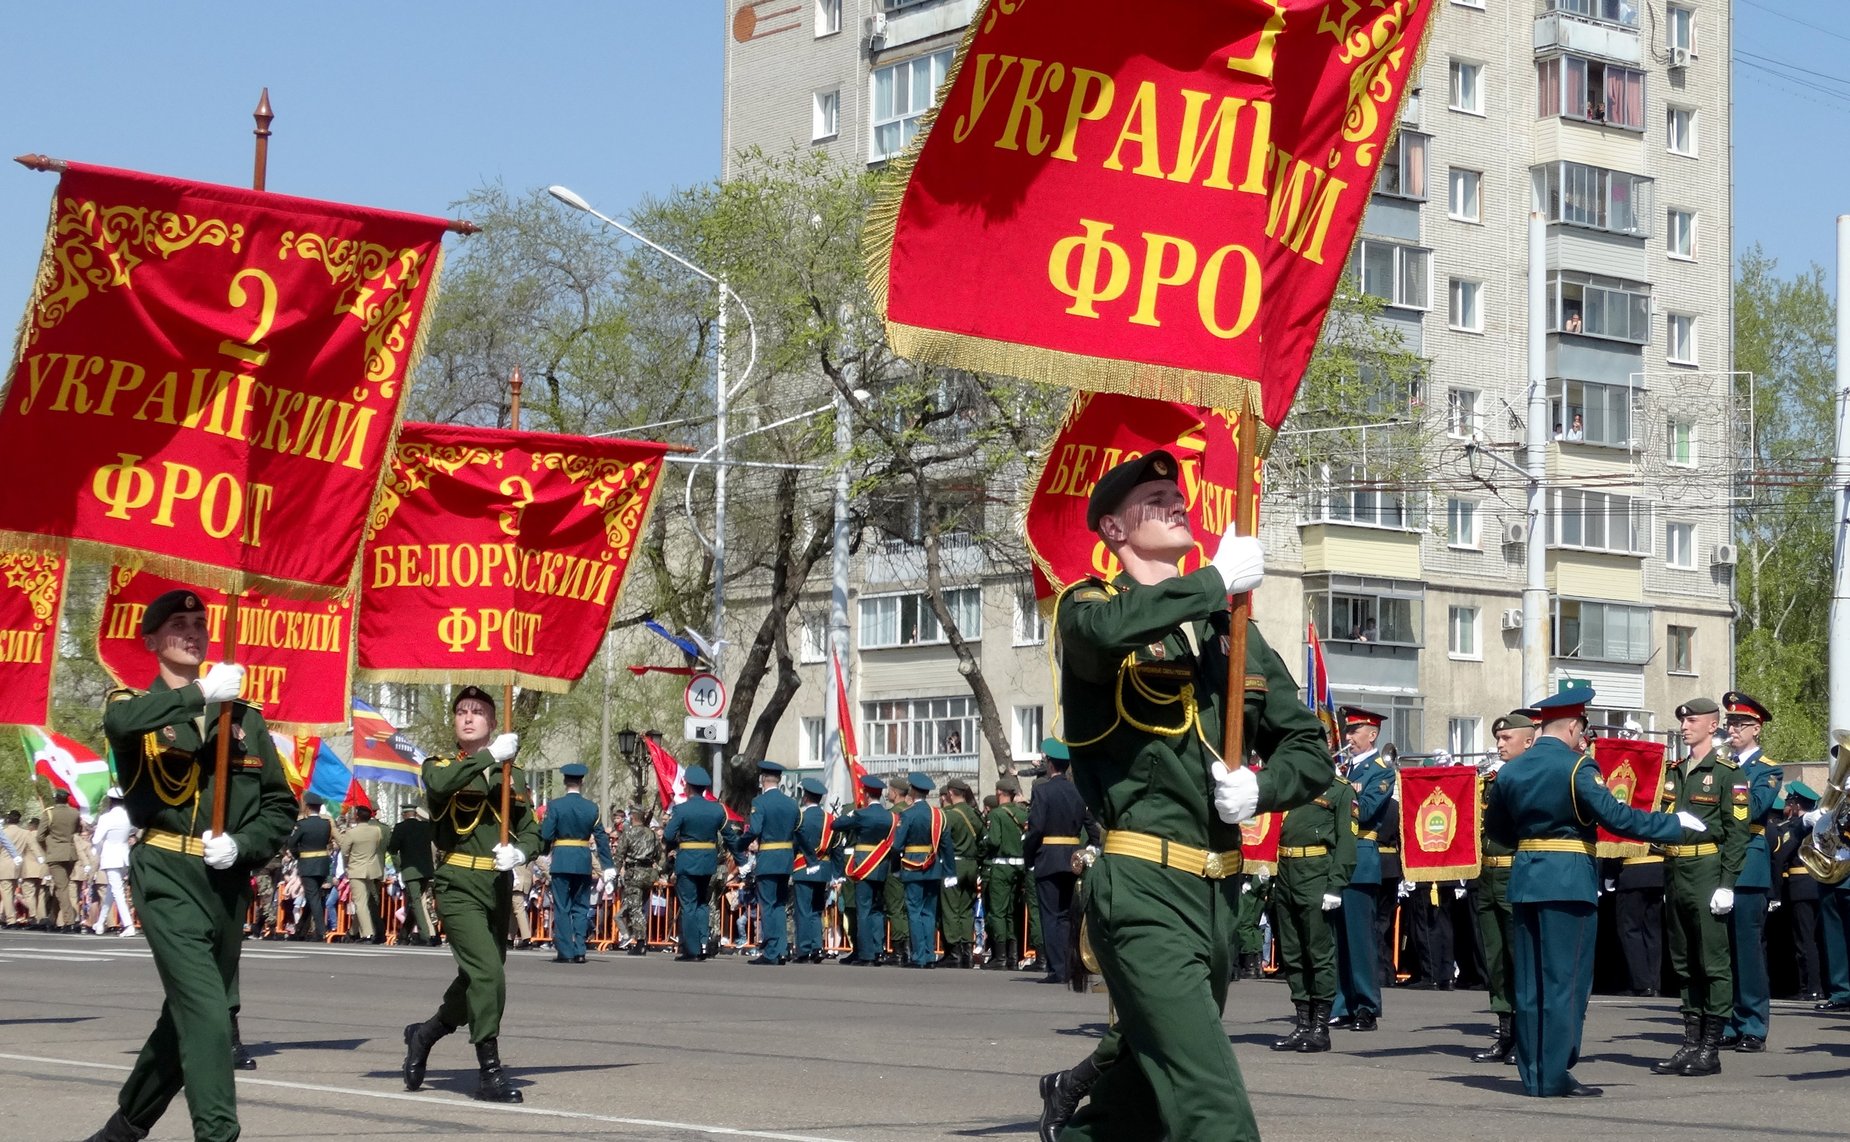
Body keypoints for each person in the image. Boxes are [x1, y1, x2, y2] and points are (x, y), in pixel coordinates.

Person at [1040, 450, 1334, 1142]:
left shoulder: (1234, 636)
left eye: (1179, 494)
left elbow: (1310, 748)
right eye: (1156, 498)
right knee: (1212, 1107)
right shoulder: (1088, 609)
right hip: (1142, 890)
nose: (1178, 504)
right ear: (1114, 529)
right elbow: (1107, 635)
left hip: (1218, 898)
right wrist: (1213, 582)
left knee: (1139, 1101)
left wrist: (1263, 788)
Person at [80, 588, 295, 1142]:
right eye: (177, 624)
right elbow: (121, 726)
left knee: (187, 1018)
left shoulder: (243, 717)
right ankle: (218, 1135)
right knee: (208, 1011)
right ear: (151, 640)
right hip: (167, 874)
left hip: (224, 882)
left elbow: (279, 803)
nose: (193, 632)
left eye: (200, 623)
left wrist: (245, 844)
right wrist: (200, 694)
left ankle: (123, 1128)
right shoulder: (132, 704)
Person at [1483, 686, 1707, 1098]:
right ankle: (1554, 1075)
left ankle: (1533, 1075)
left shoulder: (1510, 771)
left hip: (1526, 879)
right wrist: (1673, 825)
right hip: (1568, 880)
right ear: (1572, 726)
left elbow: (1495, 830)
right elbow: (1615, 816)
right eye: (1581, 729)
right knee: (1565, 983)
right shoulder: (1577, 768)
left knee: (1530, 984)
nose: (1582, 738)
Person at [401, 685, 536, 1104]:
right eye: (462, 711)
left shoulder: (510, 777)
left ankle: (424, 1034)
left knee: (476, 979)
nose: (469, 717)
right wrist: (491, 756)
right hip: (457, 884)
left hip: (495, 885)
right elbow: (441, 783)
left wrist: (520, 851)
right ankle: (490, 1073)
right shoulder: (440, 764)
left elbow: (532, 829)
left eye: (478, 711)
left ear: (493, 723)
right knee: (489, 977)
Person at [1651, 696, 1749, 1077]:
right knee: (1684, 961)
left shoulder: (1726, 773)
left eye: (1693, 720)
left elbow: (1737, 833)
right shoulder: (1676, 771)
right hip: (1676, 869)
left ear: (1713, 726)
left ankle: (1711, 1047)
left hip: (1708, 869)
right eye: (1683, 720)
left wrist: (1727, 884)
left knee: (1713, 962)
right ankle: (1690, 1043)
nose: (1685, 725)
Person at [1269, 767, 1355, 1052]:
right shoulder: (1292, 785)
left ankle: (1320, 1027)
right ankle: (1302, 1024)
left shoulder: (1339, 789)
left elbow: (1346, 841)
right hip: (1285, 872)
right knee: (1292, 953)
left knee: (1319, 952)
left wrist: (1336, 885)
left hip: (1316, 874)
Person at [1471, 709, 1536, 1063]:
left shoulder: (1531, 778)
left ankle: (1526, 1036)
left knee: (1519, 958)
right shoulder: (1491, 780)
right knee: (1495, 959)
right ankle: (1506, 1033)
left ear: (1528, 741)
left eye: (1506, 739)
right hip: (1488, 873)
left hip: (1516, 873)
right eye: (1497, 738)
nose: (1499, 744)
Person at [1718, 691, 1782, 1051]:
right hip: (1719, 861)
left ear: (1756, 728)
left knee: (1747, 949)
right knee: (1721, 951)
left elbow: (1755, 808)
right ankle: (1726, 1023)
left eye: (1739, 724)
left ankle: (1753, 1024)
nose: (1732, 730)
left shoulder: (1767, 769)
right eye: (1729, 723)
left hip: (1748, 863)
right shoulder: (1722, 764)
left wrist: (1729, 775)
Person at [1332, 707, 1394, 1032]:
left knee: (1359, 939)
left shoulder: (1381, 770)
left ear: (1372, 734)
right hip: (1336, 859)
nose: (1349, 736)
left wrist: (1337, 793)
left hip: (1359, 856)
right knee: (1337, 938)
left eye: (1356, 730)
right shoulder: (1342, 768)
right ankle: (1343, 1004)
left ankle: (1367, 1006)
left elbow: (1367, 810)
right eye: (1349, 729)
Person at [1023, 741, 1097, 984]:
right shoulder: (1078, 792)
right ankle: (1070, 965)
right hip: (1073, 858)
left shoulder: (1042, 791)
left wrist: (1029, 855)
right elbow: (1092, 828)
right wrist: (1092, 849)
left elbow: (1036, 828)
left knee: (1050, 915)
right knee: (1066, 915)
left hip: (1048, 857)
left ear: (1050, 764)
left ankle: (1058, 968)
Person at [541, 762, 615, 964]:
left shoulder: (555, 805)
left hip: (562, 859)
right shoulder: (592, 808)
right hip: (583, 860)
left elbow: (546, 833)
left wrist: (544, 850)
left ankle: (565, 951)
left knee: (562, 907)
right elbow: (601, 839)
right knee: (581, 906)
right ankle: (580, 949)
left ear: (565, 781)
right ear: (581, 782)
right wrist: (608, 866)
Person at [739, 759, 805, 965]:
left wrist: (739, 844)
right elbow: (798, 832)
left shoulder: (760, 802)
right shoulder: (791, 803)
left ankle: (771, 952)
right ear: (779, 779)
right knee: (779, 905)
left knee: (768, 906)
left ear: (762, 779)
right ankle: (781, 949)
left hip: (768, 859)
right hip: (786, 861)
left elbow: (756, 830)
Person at [661, 765, 729, 962]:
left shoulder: (682, 809)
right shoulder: (716, 810)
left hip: (688, 861)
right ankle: (703, 943)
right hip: (708, 863)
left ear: (688, 787)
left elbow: (667, 835)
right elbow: (728, 836)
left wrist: (678, 843)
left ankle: (692, 949)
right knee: (702, 904)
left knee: (689, 905)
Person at [891, 771, 957, 968]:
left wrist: (895, 868)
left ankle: (919, 956)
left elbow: (897, 845)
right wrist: (950, 872)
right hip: (933, 866)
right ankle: (929, 955)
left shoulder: (908, 814)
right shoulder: (938, 815)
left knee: (914, 910)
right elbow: (947, 846)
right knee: (929, 912)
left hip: (912, 866)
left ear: (912, 790)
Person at [832, 772, 899, 965]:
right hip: (881, 865)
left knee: (863, 910)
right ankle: (878, 950)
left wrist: (852, 813)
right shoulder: (890, 817)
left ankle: (866, 954)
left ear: (867, 795)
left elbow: (836, 824)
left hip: (864, 865)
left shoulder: (861, 814)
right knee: (877, 910)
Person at [1774, 782, 1824, 1000]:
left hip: (1801, 886)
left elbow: (1781, 855)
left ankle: (1810, 988)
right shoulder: (1822, 826)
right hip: (1821, 885)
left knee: (1805, 942)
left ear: (1795, 805)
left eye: (1788, 802)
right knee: (1819, 940)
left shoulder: (1794, 827)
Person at [981, 774, 1031, 970]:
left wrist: (984, 843)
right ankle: (1013, 954)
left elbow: (993, 841)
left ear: (999, 793)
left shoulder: (997, 814)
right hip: (1020, 865)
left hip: (1001, 866)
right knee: (1012, 912)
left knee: (998, 912)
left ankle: (1000, 956)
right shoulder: (1022, 813)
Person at [938, 776, 984, 968]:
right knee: (966, 909)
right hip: (972, 865)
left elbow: (942, 840)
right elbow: (983, 840)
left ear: (950, 793)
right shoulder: (974, 814)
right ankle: (967, 950)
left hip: (953, 864)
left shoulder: (950, 815)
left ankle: (953, 951)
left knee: (950, 909)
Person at [790, 778, 835, 962]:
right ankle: (817, 947)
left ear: (806, 796)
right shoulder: (829, 819)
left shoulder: (800, 818)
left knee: (803, 910)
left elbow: (794, 843)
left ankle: (804, 949)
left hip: (803, 866)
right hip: (823, 868)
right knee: (817, 910)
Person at [337, 804, 390, 944]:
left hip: (356, 869)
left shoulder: (351, 833)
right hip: (372, 869)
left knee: (360, 903)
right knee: (365, 902)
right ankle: (354, 932)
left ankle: (368, 933)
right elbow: (377, 846)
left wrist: (347, 864)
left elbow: (344, 851)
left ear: (357, 816)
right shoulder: (377, 831)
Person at [387, 805, 438, 946]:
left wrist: (399, 867)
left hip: (410, 871)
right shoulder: (426, 827)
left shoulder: (400, 828)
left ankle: (425, 934)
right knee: (415, 902)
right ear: (415, 813)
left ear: (404, 815)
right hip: (426, 870)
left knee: (416, 902)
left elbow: (392, 849)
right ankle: (404, 935)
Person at [92, 789, 138, 937]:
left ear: (110, 801)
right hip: (124, 856)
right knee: (112, 891)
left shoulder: (106, 818)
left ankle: (129, 925)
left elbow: (96, 840)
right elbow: (134, 829)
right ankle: (100, 923)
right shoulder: (128, 816)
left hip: (111, 856)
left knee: (117, 892)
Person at [616, 807, 662, 954]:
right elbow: (659, 854)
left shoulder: (628, 833)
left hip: (634, 873)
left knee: (635, 908)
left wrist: (615, 872)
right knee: (640, 908)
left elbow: (619, 854)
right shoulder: (653, 834)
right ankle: (641, 937)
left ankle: (641, 942)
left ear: (633, 817)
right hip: (649, 873)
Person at [289, 800, 333, 941]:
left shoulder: (303, 824)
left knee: (313, 897)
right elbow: (326, 841)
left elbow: (292, 844)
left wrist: (298, 856)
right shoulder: (326, 824)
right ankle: (301, 930)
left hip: (308, 864)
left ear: (308, 807)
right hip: (322, 864)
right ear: (320, 807)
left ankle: (321, 932)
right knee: (312, 898)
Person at [40, 788, 82, 932]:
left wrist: (49, 845)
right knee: (60, 886)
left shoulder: (49, 813)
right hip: (70, 854)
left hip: (55, 854)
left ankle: (69, 921)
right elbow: (78, 830)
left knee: (62, 888)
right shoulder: (75, 813)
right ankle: (52, 918)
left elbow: (39, 836)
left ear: (55, 798)